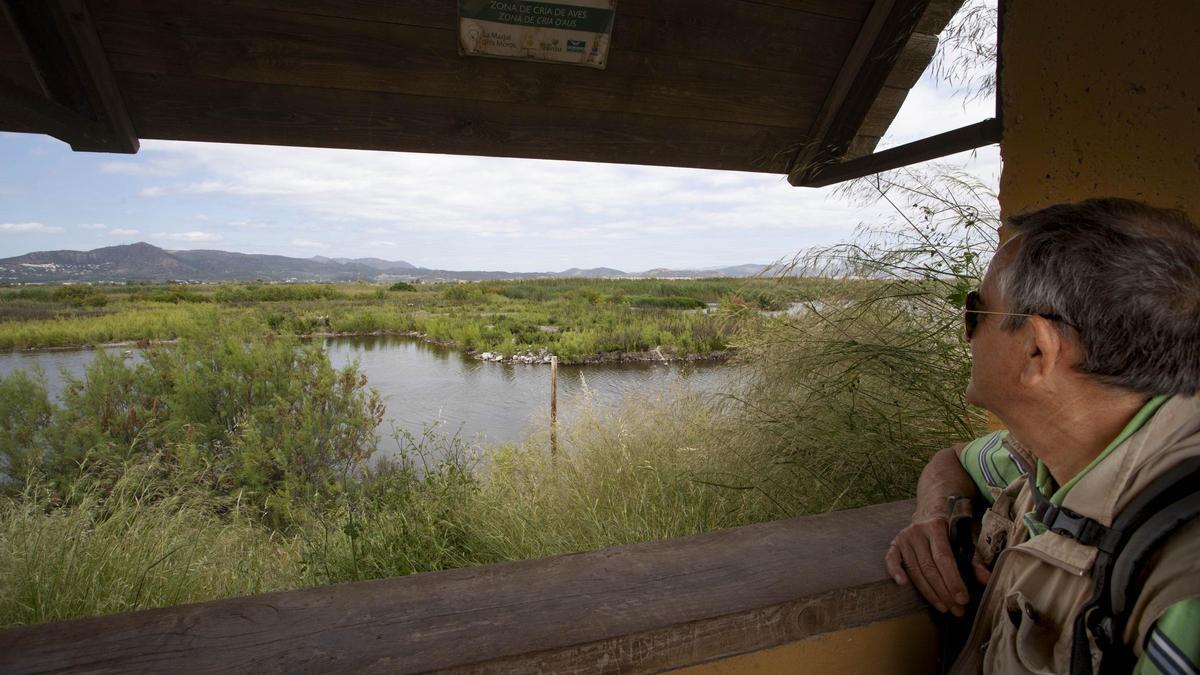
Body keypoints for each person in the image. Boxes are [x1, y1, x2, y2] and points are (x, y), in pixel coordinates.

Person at [885, 198, 1200, 674]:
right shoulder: (1064, 451)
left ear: (1037, 348)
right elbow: (951, 460)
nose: (967, 334)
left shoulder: (1183, 595)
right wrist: (935, 514)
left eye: (975, 311)